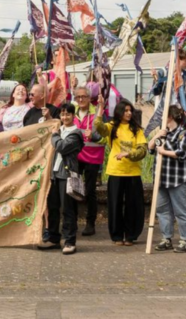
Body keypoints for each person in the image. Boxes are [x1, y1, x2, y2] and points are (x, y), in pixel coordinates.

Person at [94, 99, 147, 246]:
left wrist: (128, 154)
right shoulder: (112, 127)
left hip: (133, 173)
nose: (129, 113)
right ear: (119, 112)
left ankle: (130, 235)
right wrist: (100, 108)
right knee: (115, 205)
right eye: (126, 111)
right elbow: (98, 126)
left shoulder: (137, 129)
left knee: (133, 205)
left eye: (131, 111)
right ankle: (117, 236)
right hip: (116, 172)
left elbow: (143, 151)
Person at [38, 103, 83, 254]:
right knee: (53, 208)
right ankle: (53, 238)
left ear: (73, 115)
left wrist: (55, 136)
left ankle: (70, 241)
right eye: (63, 114)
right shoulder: (59, 128)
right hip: (54, 174)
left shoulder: (76, 134)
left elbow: (62, 147)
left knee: (68, 209)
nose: (65, 117)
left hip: (67, 175)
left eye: (68, 114)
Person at [149, 106, 186, 253]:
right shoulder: (162, 134)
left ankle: (185, 240)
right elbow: (149, 148)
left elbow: (182, 152)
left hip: (177, 179)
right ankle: (166, 238)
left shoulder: (184, 134)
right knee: (162, 210)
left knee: (181, 211)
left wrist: (163, 151)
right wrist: (157, 136)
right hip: (161, 179)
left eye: (163, 115)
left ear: (170, 117)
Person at [73, 86, 104, 236]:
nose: (81, 99)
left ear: (89, 97)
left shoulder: (97, 112)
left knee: (90, 190)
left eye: (84, 96)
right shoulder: (72, 113)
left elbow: (105, 137)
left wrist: (94, 136)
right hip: (76, 157)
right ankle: (72, 221)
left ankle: (90, 223)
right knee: (73, 189)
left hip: (92, 156)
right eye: (78, 97)